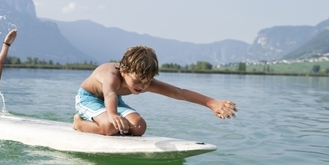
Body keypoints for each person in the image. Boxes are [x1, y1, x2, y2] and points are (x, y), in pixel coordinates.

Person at [73, 45, 237, 136]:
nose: (142, 87)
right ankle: (80, 124)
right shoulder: (112, 76)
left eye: (147, 82)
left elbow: (178, 92)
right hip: (90, 98)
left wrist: (211, 103)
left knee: (138, 127)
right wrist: (113, 114)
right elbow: (109, 94)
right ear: (123, 72)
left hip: (115, 100)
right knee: (110, 126)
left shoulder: (143, 81)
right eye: (137, 81)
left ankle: (110, 127)